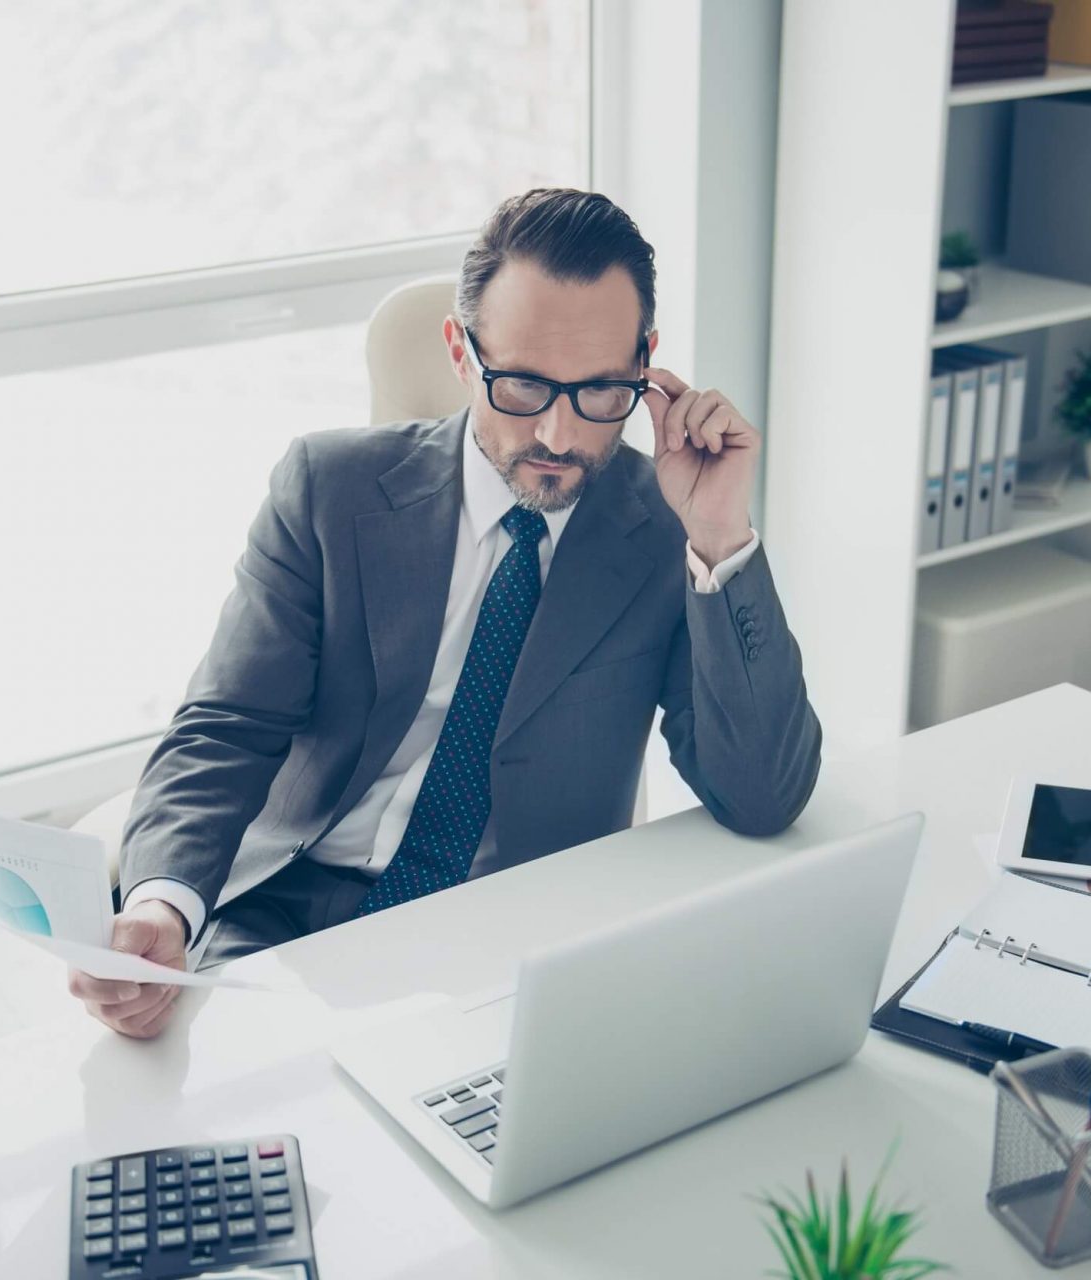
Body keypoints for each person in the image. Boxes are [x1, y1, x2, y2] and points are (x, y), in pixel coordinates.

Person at [68, 187, 822, 1039]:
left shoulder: (667, 527)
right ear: (462, 353)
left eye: (602, 391)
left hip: (511, 946)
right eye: (525, 387)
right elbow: (227, 725)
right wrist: (163, 908)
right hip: (281, 915)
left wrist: (721, 539)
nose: (561, 436)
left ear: (646, 363)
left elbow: (762, 798)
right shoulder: (329, 488)